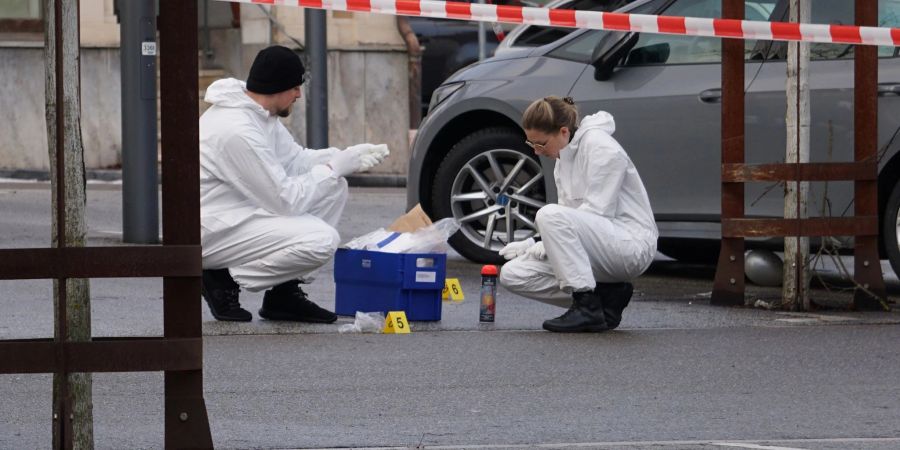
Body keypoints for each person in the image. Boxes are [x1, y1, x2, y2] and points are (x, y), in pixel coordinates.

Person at [199, 45, 390, 322]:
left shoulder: (258, 114)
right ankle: (221, 277)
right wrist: (332, 169)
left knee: (334, 187)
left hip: (237, 215)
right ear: (277, 87)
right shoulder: (237, 131)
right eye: (295, 88)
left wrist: (343, 156)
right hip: (213, 230)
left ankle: (283, 295)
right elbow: (285, 200)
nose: (299, 95)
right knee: (323, 241)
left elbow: (295, 161)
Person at [498, 96, 658, 332]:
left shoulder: (600, 147)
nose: (537, 151)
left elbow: (597, 212)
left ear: (563, 131)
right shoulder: (563, 159)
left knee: (548, 214)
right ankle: (606, 296)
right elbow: (571, 220)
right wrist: (534, 242)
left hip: (631, 245)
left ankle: (587, 307)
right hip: (598, 245)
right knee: (513, 274)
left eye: (541, 144)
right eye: (531, 144)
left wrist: (542, 242)